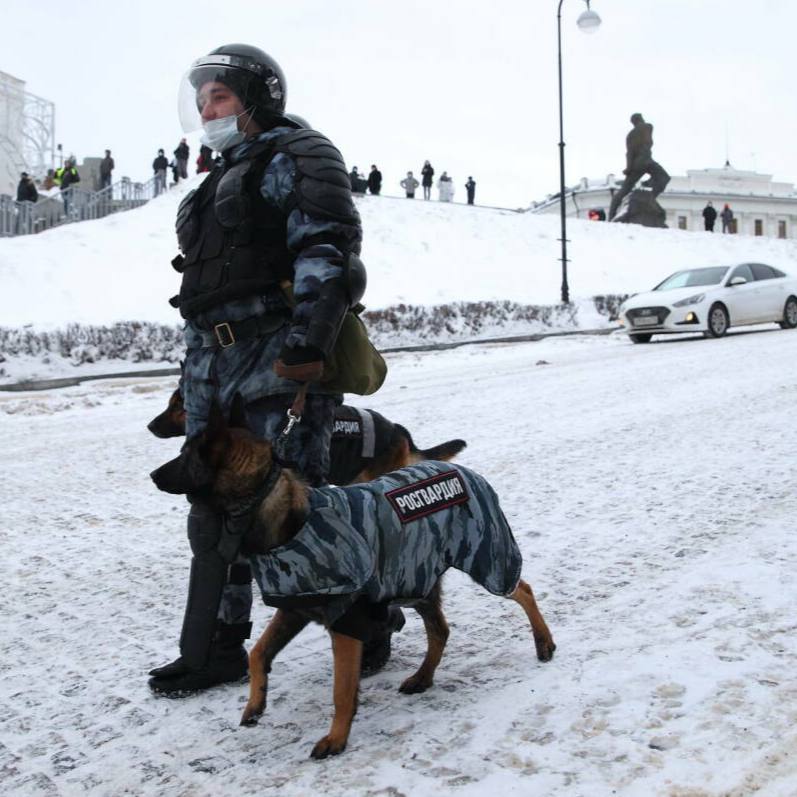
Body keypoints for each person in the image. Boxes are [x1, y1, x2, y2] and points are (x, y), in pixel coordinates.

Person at [148, 43, 400, 697]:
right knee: (209, 500)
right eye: (201, 98)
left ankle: (370, 623)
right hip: (212, 356)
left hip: (274, 346)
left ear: (259, 97)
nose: (207, 108)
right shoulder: (210, 183)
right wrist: (192, 374)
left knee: (296, 506)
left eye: (220, 95)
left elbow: (328, 246)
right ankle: (215, 647)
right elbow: (205, 288)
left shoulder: (299, 155)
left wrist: (308, 339)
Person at [608, 113, 670, 220]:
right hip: (646, 161)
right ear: (640, 119)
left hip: (637, 163)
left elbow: (629, 153)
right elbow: (647, 129)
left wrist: (628, 168)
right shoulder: (647, 127)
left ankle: (611, 214)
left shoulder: (630, 135)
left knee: (625, 189)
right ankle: (648, 198)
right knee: (664, 178)